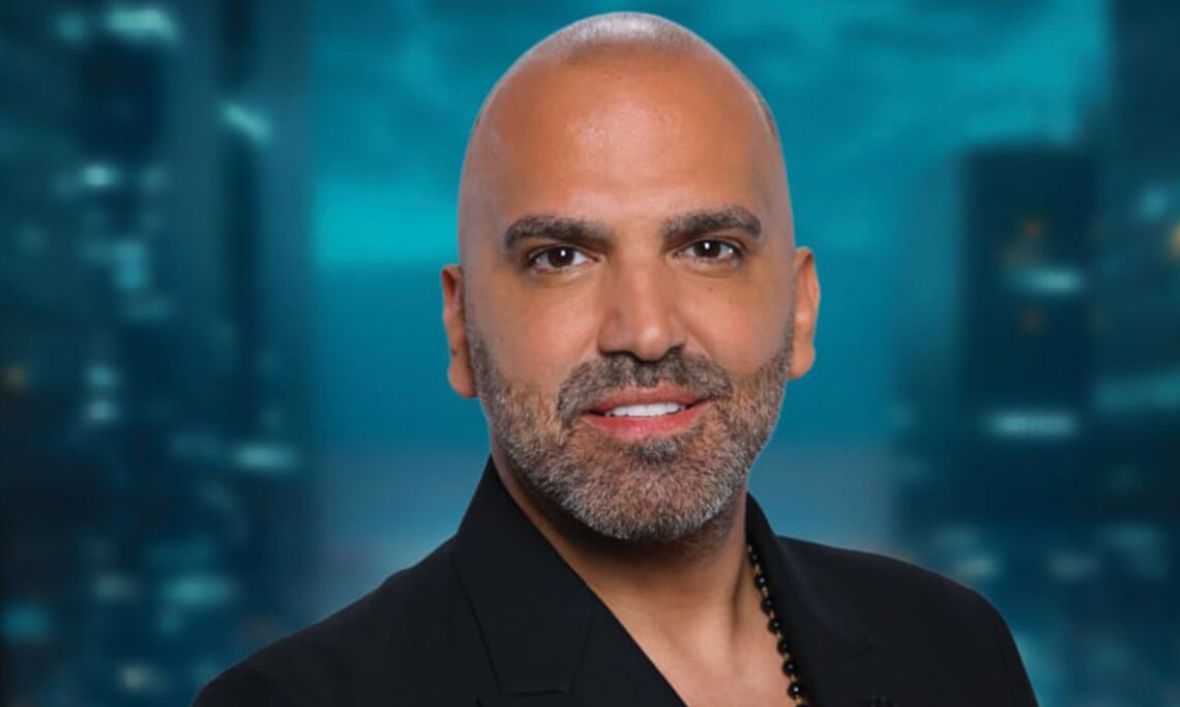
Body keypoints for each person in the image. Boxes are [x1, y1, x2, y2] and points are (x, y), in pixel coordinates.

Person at [194, 12, 1039, 707]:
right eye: (560, 257)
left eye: (708, 248)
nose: (645, 330)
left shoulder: (956, 647)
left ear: (801, 305)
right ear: (460, 326)